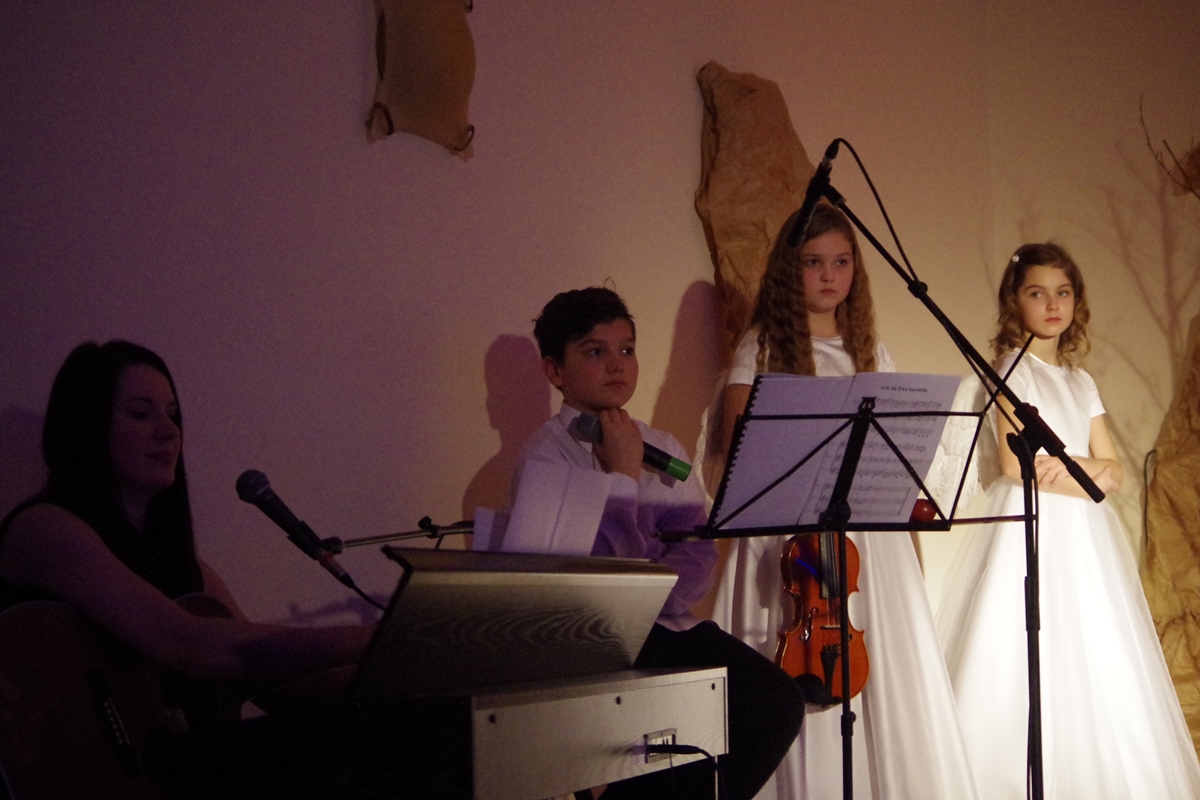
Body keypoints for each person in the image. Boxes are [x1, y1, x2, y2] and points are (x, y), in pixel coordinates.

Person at [0, 341, 374, 794]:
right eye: (141, 414)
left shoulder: (188, 567)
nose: (169, 431)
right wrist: (372, 638)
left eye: (173, 414)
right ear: (86, 428)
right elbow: (191, 644)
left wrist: (405, 663)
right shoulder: (44, 529)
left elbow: (277, 685)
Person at [712, 204, 978, 799]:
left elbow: (895, 448)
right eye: (813, 262)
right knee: (791, 672)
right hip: (790, 540)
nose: (830, 275)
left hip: (864, 540)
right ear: (789, 270)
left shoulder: (869, 348)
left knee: (883, 667)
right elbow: (739, 446)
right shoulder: (762, 345)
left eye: (841, 261)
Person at [512, 287, 804, 800]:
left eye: (626, 349)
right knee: (649, 735)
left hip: (664, 623)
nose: (617, 364)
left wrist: (651, 593)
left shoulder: (663, 446)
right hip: (588, 637)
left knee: (774, 701)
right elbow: (598, 577)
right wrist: (622, 476)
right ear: (555, 370)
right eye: (595, 351)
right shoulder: (547, 456)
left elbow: (697, 555)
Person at [936, 244, 1200, 799]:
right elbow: (1016, 465)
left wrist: (1072, 466)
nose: (1053, 305)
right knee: (1020, 646)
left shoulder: (1081, 382)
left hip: (1081, 535)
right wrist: (1088, 474)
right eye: (1038, 293)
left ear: (1076, 301)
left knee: (1093, 646)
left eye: (1063, 293)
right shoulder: (1010, 370)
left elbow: (1116, 470)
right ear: (1015, 301)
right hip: (1030, 528)